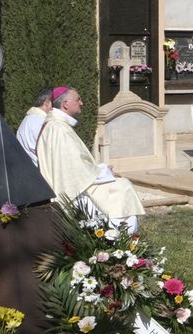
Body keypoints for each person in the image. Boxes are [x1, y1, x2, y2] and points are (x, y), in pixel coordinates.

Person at [36, 87, 146, 234]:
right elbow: (73, 170)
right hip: (73, 191)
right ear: (66, 104)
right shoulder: (58, 129)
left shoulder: (58, 125)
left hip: (76, 183)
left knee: (121, 185)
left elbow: (74, 163)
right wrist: (105, 172)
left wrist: (102, 169)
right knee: (122, 187)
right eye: (78, 99)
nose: (81, 103)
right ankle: (119, 238)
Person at [15, 87, 54, 166]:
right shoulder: (39, 121)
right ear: (46, 103)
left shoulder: (31, 118)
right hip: (38, 170)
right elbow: (46, 149)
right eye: (55, 104)